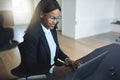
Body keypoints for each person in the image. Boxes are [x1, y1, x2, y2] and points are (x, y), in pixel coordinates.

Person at [16, 0, 80, 79]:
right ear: (41, 14)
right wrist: (53, 69)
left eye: (58, 18)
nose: (55, 22)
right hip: (39, 72)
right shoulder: (31, 35)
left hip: (53, 66)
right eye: (52, 18)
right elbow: (30, 66)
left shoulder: (52, 30)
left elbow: (57, 50)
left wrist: (67, 59)